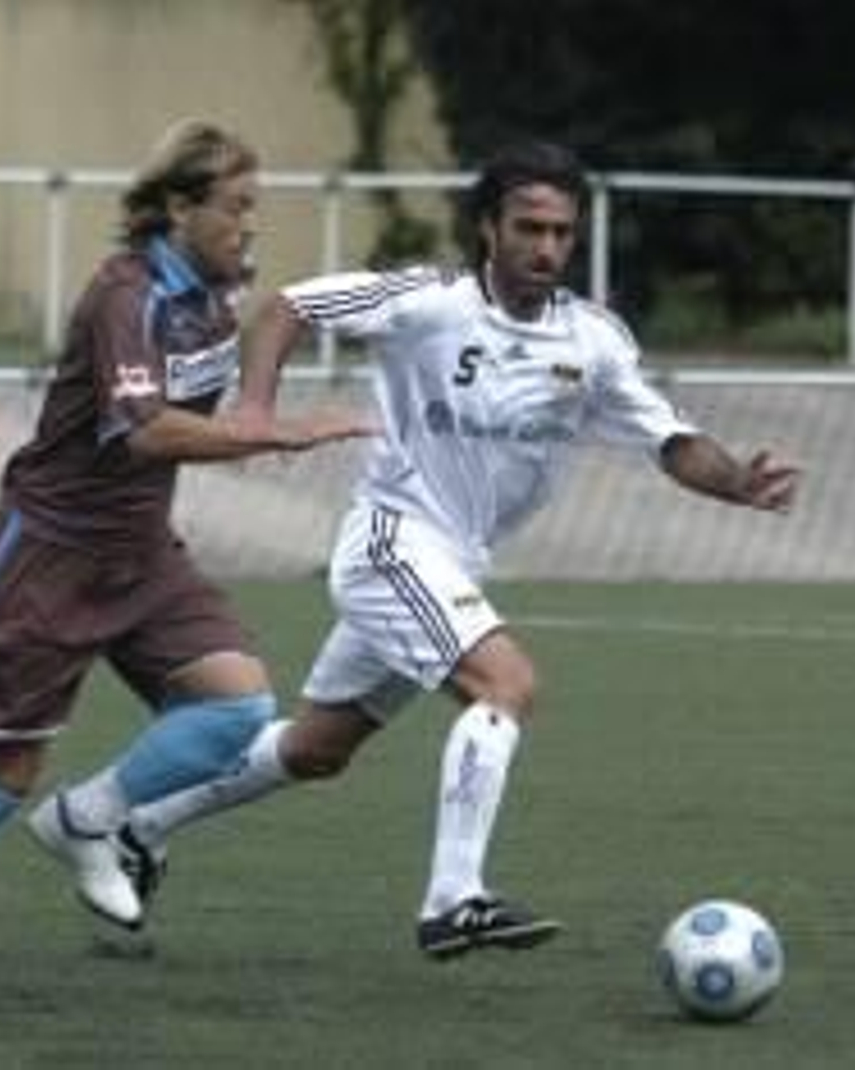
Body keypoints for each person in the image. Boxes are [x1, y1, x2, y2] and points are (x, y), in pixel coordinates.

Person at [114, 138, 802, 960]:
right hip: (390, 544)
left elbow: (671, 440)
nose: (546, 247)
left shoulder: (592, 342)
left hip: (451, 564)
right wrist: (257, 413)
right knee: (507, 684)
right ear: (489, 228)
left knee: (317, 748)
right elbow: (286, 307)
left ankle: (139, 825)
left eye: (561, 232)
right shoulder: (429, 301)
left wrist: (736, 482)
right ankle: (454, 900)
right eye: (529, 228)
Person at [0, 118, 372, 995]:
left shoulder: (215, 293)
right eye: (235, 207)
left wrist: (256, 411)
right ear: (179, 209)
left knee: (237, 706)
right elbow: (145, 430)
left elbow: (210, 397)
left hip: (140, 550)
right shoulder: (127, 296)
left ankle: (89, 819)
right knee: (7, 772)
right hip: (50, 554)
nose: (249, 225)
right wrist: (273, 433)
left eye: (254, 208)